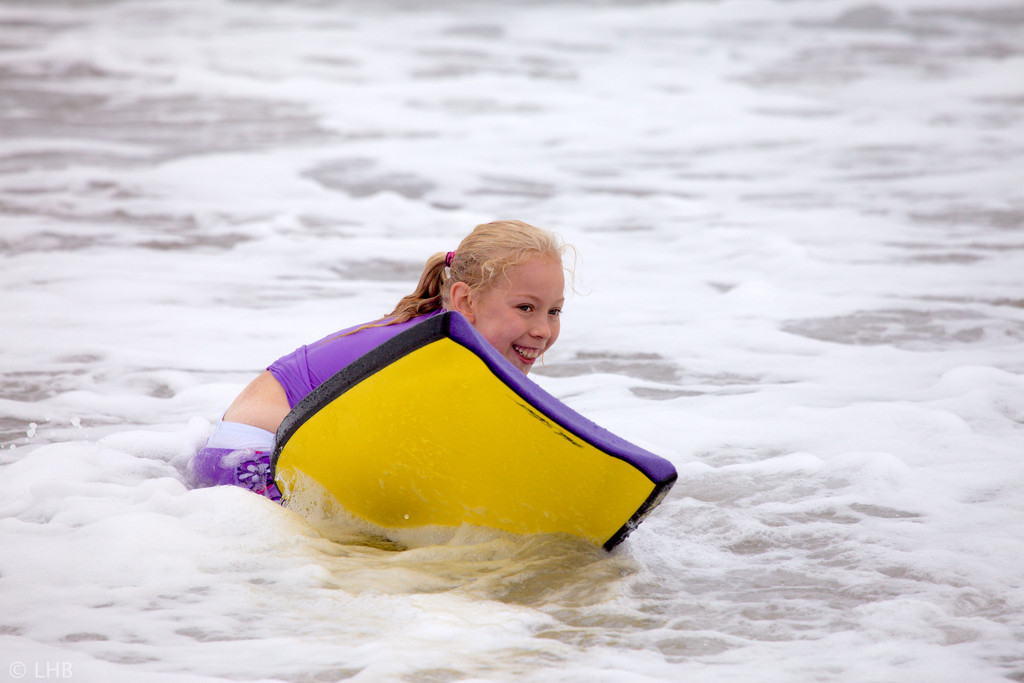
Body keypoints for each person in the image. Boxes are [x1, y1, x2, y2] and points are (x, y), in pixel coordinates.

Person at [188, 219, 573, 500]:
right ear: (465, 301)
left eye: (553, 312)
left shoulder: (451, 340)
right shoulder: (433, 350)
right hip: (252, 459)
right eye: (526, 308)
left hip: (248, 453)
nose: (542, 329)